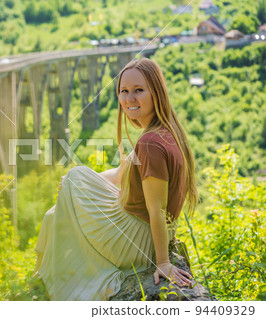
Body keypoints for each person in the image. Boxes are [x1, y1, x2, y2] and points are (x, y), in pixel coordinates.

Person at [33, 57, 199, 301]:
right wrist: (80, 188)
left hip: (137, 239)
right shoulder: (162, 131)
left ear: (157, 92)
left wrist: (163, 262)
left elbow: (157, 210)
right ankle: (38, 280)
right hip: (140, 232)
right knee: (54, 212)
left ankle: (41, 286)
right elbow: (123, 174)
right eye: (124, 91)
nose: (129, 99)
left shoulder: (150, 143)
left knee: (75, 176)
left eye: (139, 90)